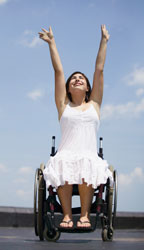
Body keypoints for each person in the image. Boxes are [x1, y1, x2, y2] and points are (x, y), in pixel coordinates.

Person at [38, 25, 113, 229]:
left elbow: (99, 69)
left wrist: (104, 41)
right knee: (63, 162)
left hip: (88, 154)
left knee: (86, 163)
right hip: (66, 153)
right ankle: (67, 216)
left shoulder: (94, 104)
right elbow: (58, 71)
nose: (77, 79)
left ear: (88, 87)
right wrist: (52, 43)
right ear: (68, 88)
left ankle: (85, 216)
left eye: (81, 78)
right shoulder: (63, 106)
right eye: (74, 79)